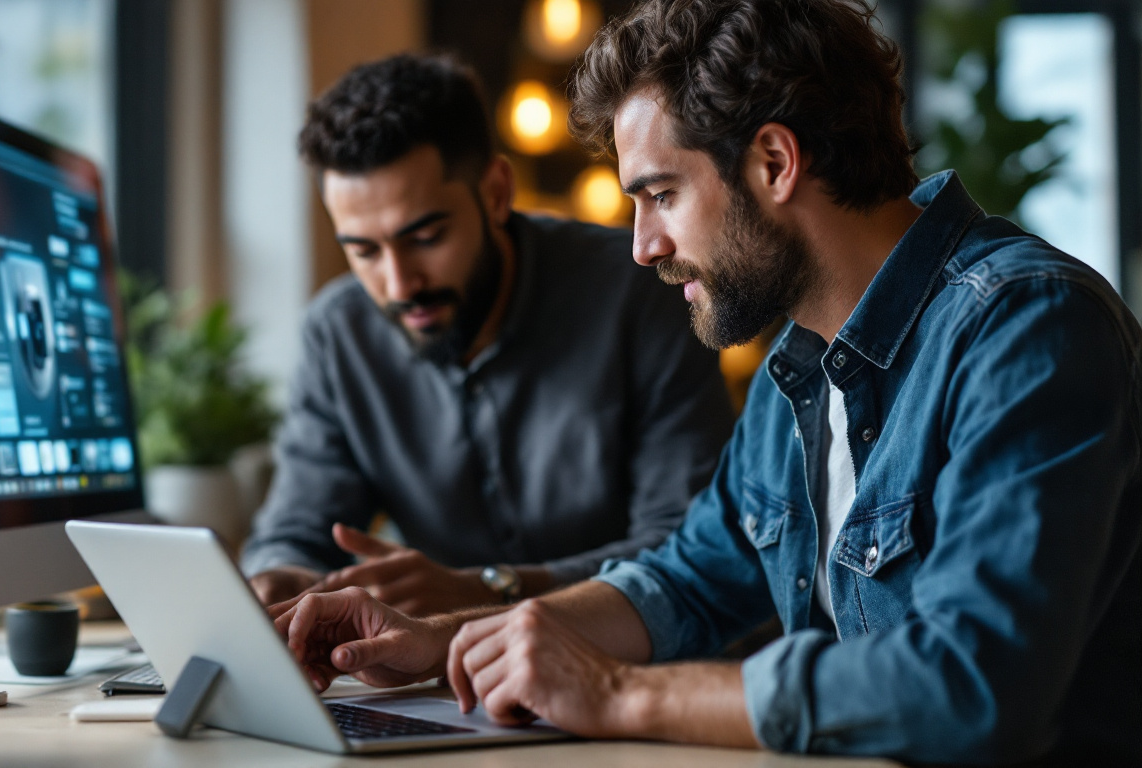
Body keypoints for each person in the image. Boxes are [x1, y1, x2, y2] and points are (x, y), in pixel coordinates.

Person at [271, 1, 1142, 764]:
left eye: (659, 195)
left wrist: (618, 695)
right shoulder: (796, 365)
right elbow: (684, 582)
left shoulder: (1028, 328)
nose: (643, 245)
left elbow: (972, 688)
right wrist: (454, 644)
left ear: (773, 161)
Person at [241, 53, 735, 617]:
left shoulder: (642, 293)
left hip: (641, 669)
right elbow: (296, 531)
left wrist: (492, 589)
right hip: (445, 685)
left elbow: (688, 544)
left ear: (497, 191)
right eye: (364, 251)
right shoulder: (338, 335)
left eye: (426, 236)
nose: (400, 283)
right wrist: (280, 581)